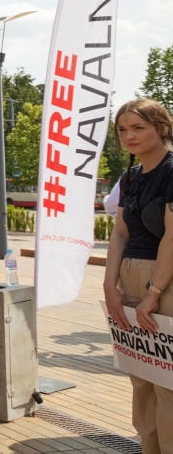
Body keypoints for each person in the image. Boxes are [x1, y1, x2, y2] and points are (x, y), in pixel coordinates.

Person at [104, 97, 173, 454]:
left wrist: (155, 291)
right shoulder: (129, 176)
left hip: (164, 279)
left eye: (138, 127)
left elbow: (172, 237)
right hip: (129, 277)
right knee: (142, 377)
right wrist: (108, 285)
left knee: (168, 384)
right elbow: (119, 234)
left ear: (161, 128)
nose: (129, 136)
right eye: (122, 129)